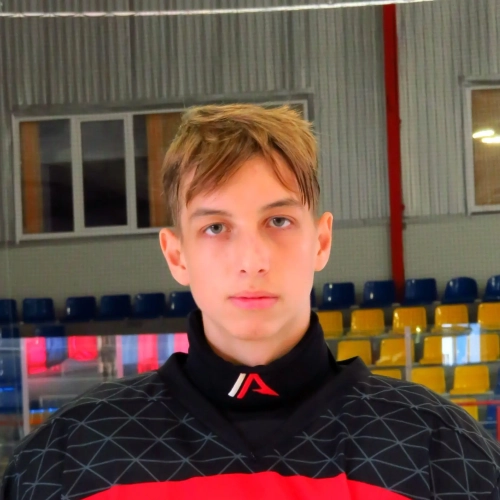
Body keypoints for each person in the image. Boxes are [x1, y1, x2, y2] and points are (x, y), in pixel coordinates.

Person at [2, 104, 500, 500]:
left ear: (321, 241)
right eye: (216, 227)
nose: (252, 260)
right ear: (176, 255)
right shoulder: (68, 456)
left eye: (278, 221)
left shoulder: (439, 448)